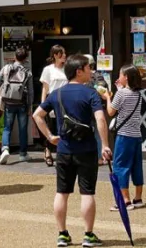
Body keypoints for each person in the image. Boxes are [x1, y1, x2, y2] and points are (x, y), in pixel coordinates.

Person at [33, 54, 111, 248]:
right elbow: (100, 120)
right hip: (87, 149)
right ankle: (88, 235)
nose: (91, 72)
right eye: (88, 68)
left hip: (64, 150)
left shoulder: (57, 93)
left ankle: (62, 234)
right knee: (87, 192)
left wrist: (50, 137)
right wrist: (106, 144)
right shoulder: (90, 93)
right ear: (79, 71)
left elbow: (37, 115)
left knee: (62, 192)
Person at [105, 64, 144, 209]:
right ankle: (138, 198)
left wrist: (108, 98)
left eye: (120, 75)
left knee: (120, 166)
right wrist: (119, 89)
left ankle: (124, 200)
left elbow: (110, 112)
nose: (118, 77)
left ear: (126, 77)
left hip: (124, 135)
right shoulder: (138, 94)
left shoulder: (121, 94)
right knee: (136, 166)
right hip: (136, 134)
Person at [0, 47, 34, 165]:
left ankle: (5, 148)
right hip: (22, 103)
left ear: (15, 57)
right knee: (22, 129)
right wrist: (30, 106)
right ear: (26, 58)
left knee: (7, 127)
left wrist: (5, 84)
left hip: (9, 102)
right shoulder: (28, 71)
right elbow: (30, 91)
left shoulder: (6, 68)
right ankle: (23, 154)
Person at [40, 45, 68, 167]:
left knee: (63, 127)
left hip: (65, 100)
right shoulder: (48, 69)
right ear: (56, 55)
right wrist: (43, 103)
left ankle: (62, 152)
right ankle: (47, 151)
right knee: (50, 126)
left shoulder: (67, 69)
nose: (65, 56)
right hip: (52, 99)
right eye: (62, 54)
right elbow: (45, 88)